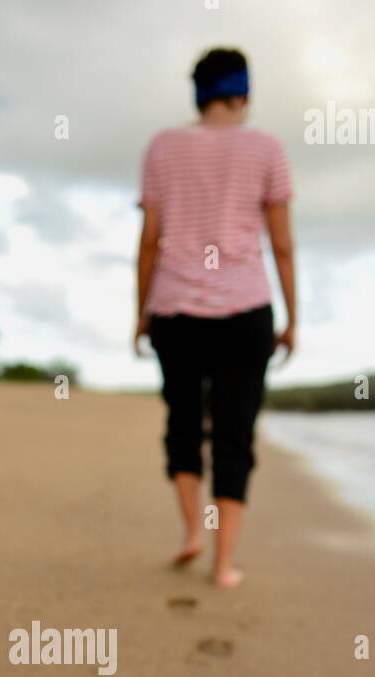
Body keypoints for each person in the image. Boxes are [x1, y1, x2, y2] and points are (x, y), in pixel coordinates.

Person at [135, 47, 296, 587]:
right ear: (243, 92)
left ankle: (191, 534)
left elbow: (150, 242)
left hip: (174, 309)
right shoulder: (265, 148)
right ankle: (224, 564)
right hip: (245, 310)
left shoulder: (163, 147)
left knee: (182, 422)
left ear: (198, 92)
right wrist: (292, 317)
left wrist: (140, 314)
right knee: (235, 432)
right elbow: (283, 245)